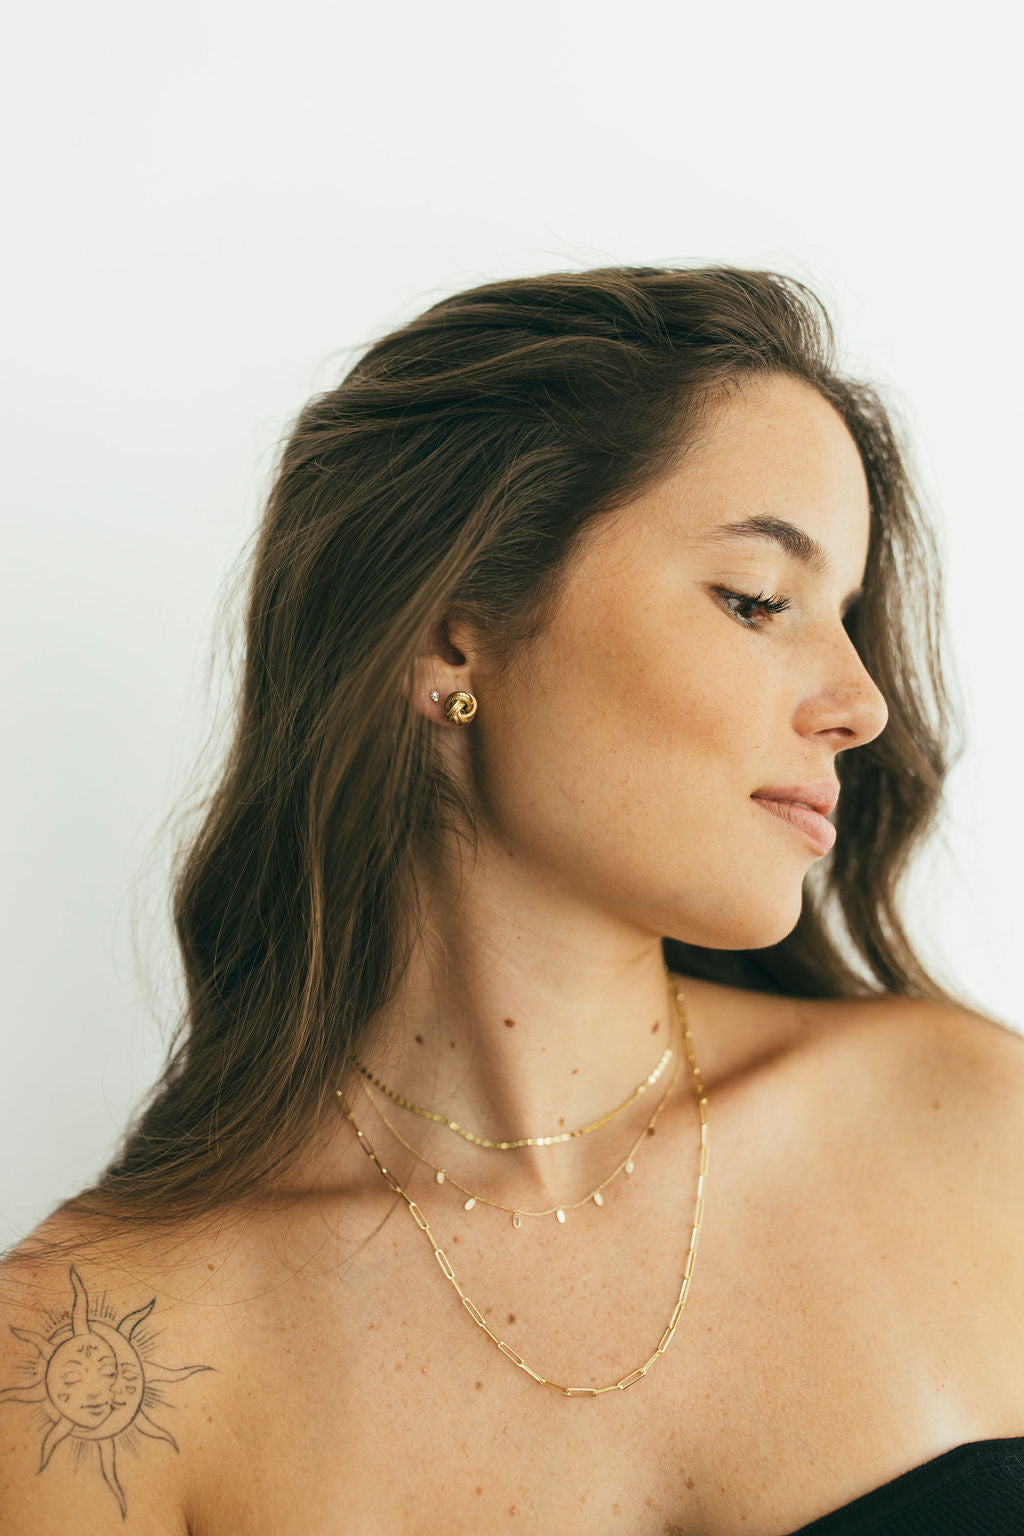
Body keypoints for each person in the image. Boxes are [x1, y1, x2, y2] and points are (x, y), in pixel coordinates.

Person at [2, 264, 1023, 1535]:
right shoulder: (94, 1363)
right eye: (758, 600)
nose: (860, 703)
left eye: (849, 616)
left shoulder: (976, 1130)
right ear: (452, 640)